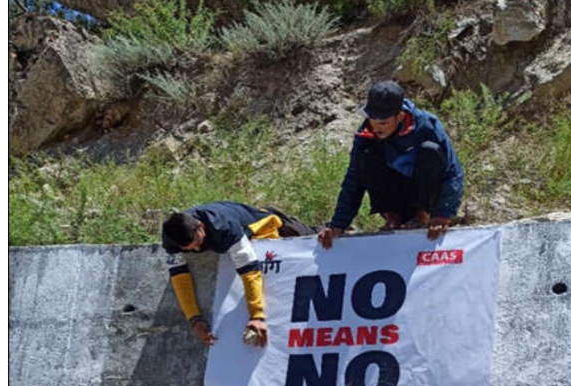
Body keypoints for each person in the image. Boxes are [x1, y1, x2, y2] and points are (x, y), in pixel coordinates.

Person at [319, 80, 464, 248]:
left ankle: (421, 217)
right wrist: (338, 224)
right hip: (394, 192)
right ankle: (393, 218)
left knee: (430, 150)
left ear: (400, 116)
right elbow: (354, 180)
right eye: (372, 120)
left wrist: (442, 215)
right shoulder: (365, 134)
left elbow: (453, 172)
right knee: (366, 157)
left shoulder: (427, 126)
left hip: (424, 192)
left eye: (383, 123)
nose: (376, 128)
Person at [161, 202, 316, 348]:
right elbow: (180, 278)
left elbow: (250, 270)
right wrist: (194, 319)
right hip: (236, 230)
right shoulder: (170, 238)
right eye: (188, 248)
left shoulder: (224, 227)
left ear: (201, 226)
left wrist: (257, 316)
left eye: (197, 242)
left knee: (317, 238)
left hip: (267, 226)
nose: (196, 249)